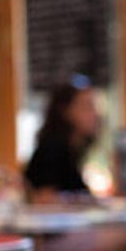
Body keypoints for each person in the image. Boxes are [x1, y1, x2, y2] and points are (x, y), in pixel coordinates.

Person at [24, 75, 100, 203]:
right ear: (65, 111)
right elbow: (44, 199)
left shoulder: (70, 149)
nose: (95, 114)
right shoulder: (53, 148)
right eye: (87, 106)